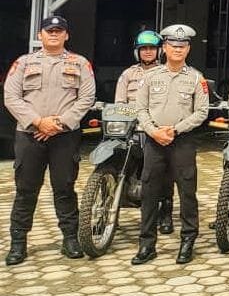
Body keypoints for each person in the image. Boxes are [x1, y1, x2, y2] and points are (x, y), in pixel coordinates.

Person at [4, 15, 96, 266]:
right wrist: (38, 122)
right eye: (49, 31)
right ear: (40, 35)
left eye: (59, 31)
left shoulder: (80, 63)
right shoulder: (24, 63)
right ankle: (18, 243)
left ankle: (70, 239)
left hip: (64, 136)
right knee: (26, 190)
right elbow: (11, 97)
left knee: (64, 188)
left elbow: (86, 98)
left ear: (66, 35)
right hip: (29, 136)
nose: (54, 34)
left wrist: (58, 124)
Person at [131, 24, 209, 265]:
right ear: (164, 48)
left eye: (182, 46)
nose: (177, 49)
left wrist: (175, 130)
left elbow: (201, 112)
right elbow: (140, 108)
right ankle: (147, 244)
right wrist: (154, 131)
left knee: (187, 192)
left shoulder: (196, 78)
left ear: (188, 49)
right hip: (154, 141)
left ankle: (187, 240)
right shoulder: (150, 77)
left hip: (182, 141)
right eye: (173, 46)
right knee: (149, 192)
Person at [116, 30, 177, 235]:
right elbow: (119, 103)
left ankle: (166, 213)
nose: (148, 52)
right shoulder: (128, 74)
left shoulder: (167, 73)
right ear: (137, 52)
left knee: (165, 170)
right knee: (116, 162)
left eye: (152, 48)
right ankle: (111, 209)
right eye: (144, 49)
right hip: (131, 128)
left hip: (156, 129)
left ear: (159, 51)